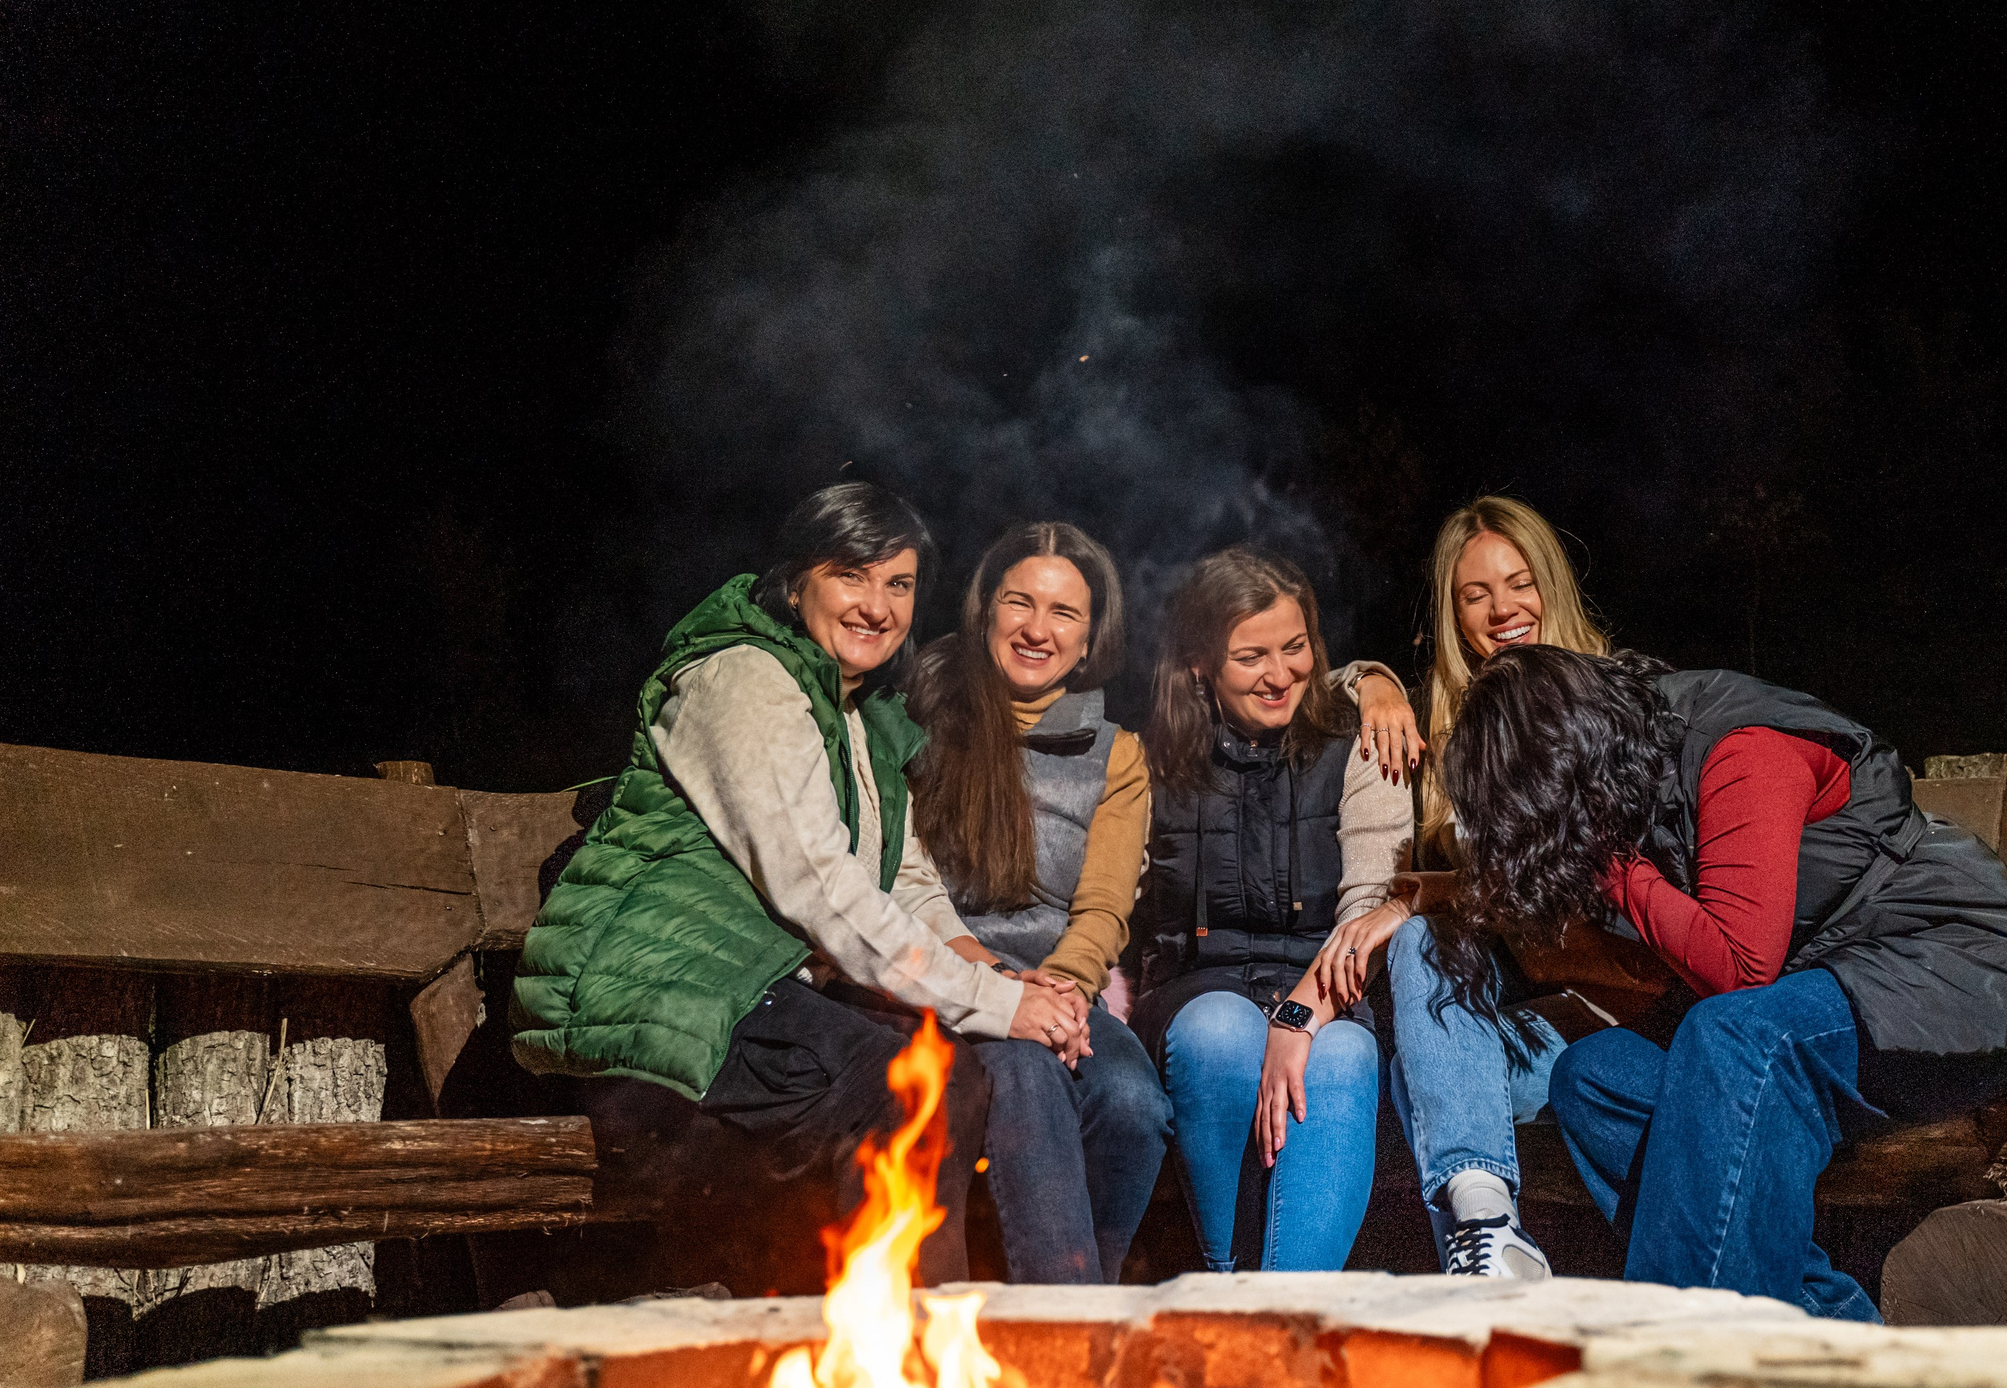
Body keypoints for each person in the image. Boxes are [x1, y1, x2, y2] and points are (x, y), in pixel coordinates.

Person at [513, 482, 1090, 1289]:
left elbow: (904, 874)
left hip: (753, 995)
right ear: (795, 583)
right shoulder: (745, 681)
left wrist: (985, 972)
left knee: (948, 1078)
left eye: (899, 584)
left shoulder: (862, 714)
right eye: (852, 575)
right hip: (664, 999)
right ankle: (894, 1362)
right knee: (906, 1094)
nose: (877, 606)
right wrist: (995, 1005)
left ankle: (910, 1359)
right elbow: (819, 886)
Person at [1439, 644, 2007, 1317]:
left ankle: (1688, 1367)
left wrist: (1613, 863)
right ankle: (1835, 1351)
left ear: (1563, 767)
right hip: (1830, 1009)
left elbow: (1739, 967)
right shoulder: (1639, 776)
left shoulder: (1739, 747)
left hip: (1965, 976)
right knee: (1594, 1073)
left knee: (1734, 1035)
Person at [1316, 495, 1613, 1278]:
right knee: (1418, 971)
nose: (1501, 608)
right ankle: (1488, 1237)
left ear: (1550, 584)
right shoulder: (1446, 730)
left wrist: (1424, 891)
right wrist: (1369, 680)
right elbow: (1287, 680)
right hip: (1486, 1039)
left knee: (1417, 998)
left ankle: (1478, 1245)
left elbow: (1575, 895)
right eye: (1474, 594)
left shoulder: (1613, 711)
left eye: (1519, 583)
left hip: (1596, 1039)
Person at [1128, 548, 1416, 1273]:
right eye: (1251, 656)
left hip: (1325, 986)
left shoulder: (1357, 742)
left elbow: (1370, 905)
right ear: (1199, 662)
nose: (1280, 673)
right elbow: (1110, 894)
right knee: (1221, 1034)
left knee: (1347, 1055)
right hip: (1197, 990)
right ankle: (1231, 1288)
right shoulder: (1150, 757)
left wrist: (1300, 1013)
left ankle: (1292, 1314)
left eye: (1296, 648)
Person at [908, 521, 1171, 1283]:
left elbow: (1102, 908)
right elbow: (906, 884)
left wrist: (1058, 991)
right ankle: (1068, 1337)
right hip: (949, 978)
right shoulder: (926, 723)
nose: (1036, 628)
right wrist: (998, 990)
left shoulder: (1116, 753)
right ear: (986, 611)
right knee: (1024, 1076)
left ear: (1090, 639)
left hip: (1063, 983)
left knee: (1130, 1102)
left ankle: (1084, 1291)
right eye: (1019, 603)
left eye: (1063, 613)